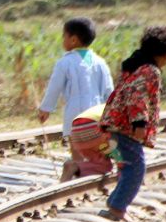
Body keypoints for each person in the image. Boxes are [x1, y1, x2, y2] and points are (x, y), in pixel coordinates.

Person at [98, 25, 166, 221]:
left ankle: (115, 203)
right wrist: (139, 123)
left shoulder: (135, 65)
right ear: (165, 54)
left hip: (116, 123)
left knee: (127, 165)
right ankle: (117, 208)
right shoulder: (150, 71)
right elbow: (137, 95)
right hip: (127, 126)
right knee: (137, 167)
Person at [36, 16, 114, 181]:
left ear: (73, 40)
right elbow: (110, 92)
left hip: (76, 117)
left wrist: (45, 109)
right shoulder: (101, 63)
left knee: (77, 152)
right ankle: (83, 178)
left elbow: (54, 87)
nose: (62, 40)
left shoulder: (65, 63)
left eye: (64, 36)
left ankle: (74, 173)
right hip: (98, 116)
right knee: (98, 155)